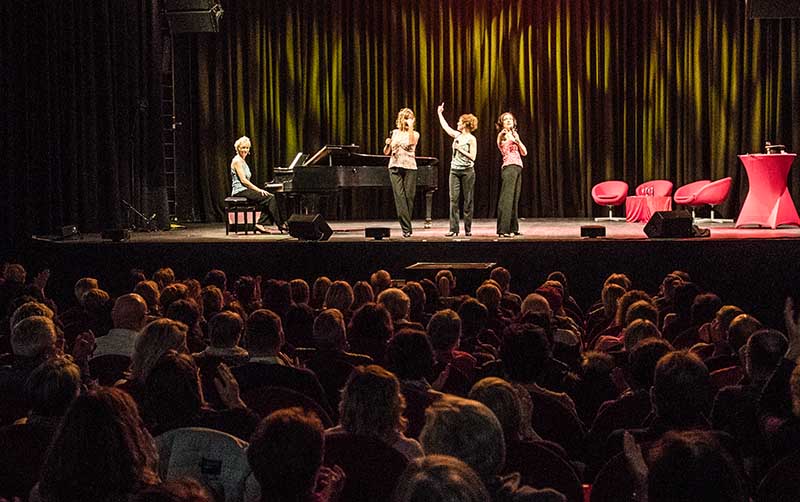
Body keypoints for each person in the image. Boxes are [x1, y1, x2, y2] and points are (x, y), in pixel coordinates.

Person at [437, 103, 478, 237]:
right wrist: (439, 113)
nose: (457, 123)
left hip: (467, 171)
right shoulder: (457, 135)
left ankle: (467, 229)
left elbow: (473, 157)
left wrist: (460, 149)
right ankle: (454, 229)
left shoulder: (472, 139)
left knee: (468, 200)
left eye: (459, 122)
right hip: (454, 171)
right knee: (453, 200)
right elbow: (446, 127)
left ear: (465, 124)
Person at [230, 135, 285, 234]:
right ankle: (280, 225)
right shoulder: (237, 161)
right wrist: (258, 190)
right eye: (243, 147)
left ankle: (261, 224)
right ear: (238, 148)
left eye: (247, 148)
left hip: (244, 190)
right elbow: (243, 181)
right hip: (239, 191)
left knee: (268, 198)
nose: (245, 150)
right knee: (270, 197)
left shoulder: (242, 160)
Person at [384, 108, 420, 238]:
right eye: (405, 118)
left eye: (410, 118)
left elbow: (411, 143)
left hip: (410, 166)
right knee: (399, 197)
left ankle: (406, 227)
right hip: (394, 166)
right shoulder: (394, 133)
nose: (407, 121)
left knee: (408, 197)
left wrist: (410, 126)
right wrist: (387, 144)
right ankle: (407, 229)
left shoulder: (415, 134)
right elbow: (386, 152)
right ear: (400, 119)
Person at [495, 112, 527, 237]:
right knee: (507, 199)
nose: (508, 121)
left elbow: (524, 152)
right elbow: (500, 142)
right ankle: (503, 229)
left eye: (510, 119)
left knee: (514, 199)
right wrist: (506, 135)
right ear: (502, 123)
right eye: (505, 119)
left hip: (518, 167)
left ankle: (513, 228)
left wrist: (517, 140)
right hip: (509, 167)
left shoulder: (515, 135)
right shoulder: (502, 135)